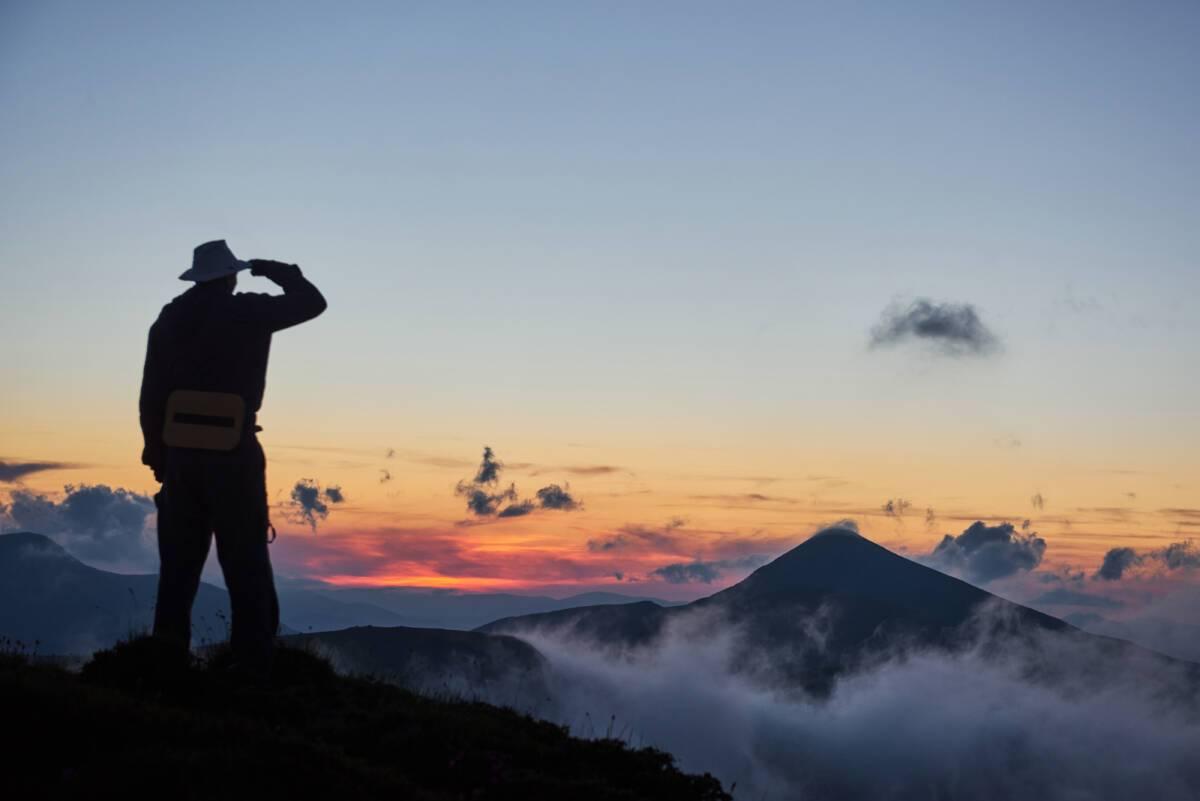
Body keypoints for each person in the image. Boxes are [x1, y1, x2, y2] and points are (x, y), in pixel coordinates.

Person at [139, 240, 326, 676]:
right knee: (245, 561)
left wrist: (157, 452)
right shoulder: (247, 312)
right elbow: (313, 303)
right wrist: (280, 271)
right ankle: (253, 661)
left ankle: (167, 659)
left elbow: (150, 394)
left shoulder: (168, 319)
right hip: (233, 454)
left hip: (181, 457)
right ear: (230, 275)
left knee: (179, 567)